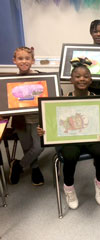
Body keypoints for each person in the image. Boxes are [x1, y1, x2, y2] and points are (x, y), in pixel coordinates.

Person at [37, 58, 100, 209]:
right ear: (71, 79)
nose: (82, 79)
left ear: (91, 80)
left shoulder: (99, 100)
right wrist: (44, 131)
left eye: (86, 76)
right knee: (69, 155)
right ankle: (69, 187)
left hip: (92, 138)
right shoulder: (62, 101)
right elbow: (55, 125)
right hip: (71, 139)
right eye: (78, 76)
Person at [8, 46, 44, 186]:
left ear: (33, 60)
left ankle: (19, 165)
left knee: (39, 147)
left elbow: (53, 93)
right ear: (14, 61)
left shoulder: (41, 77)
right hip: (21, 121)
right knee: (27, 147)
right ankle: (35, 169)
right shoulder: (11, 82)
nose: (24, 61)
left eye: (27, 58)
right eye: (20, 58)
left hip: (37, 121)